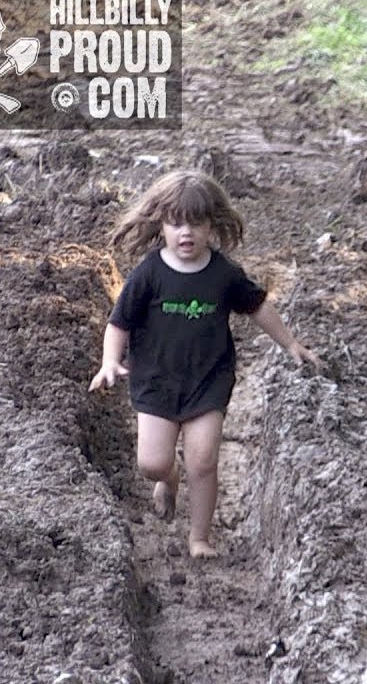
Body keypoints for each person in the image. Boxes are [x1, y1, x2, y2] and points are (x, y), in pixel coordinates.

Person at [88, 170, 322, 558]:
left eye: (196, 223)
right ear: (160, 224)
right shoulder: (149, 274)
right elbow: (119, 323)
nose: (186, 233)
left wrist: (291, 343)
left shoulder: (223, 273)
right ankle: (170, 478)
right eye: (176, 223)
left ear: (211, 224)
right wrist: (109, 361)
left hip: (208, 381)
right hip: (156, 382)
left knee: (203, 459)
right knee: (151, 463)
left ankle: (199, 538)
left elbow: (258, 306)